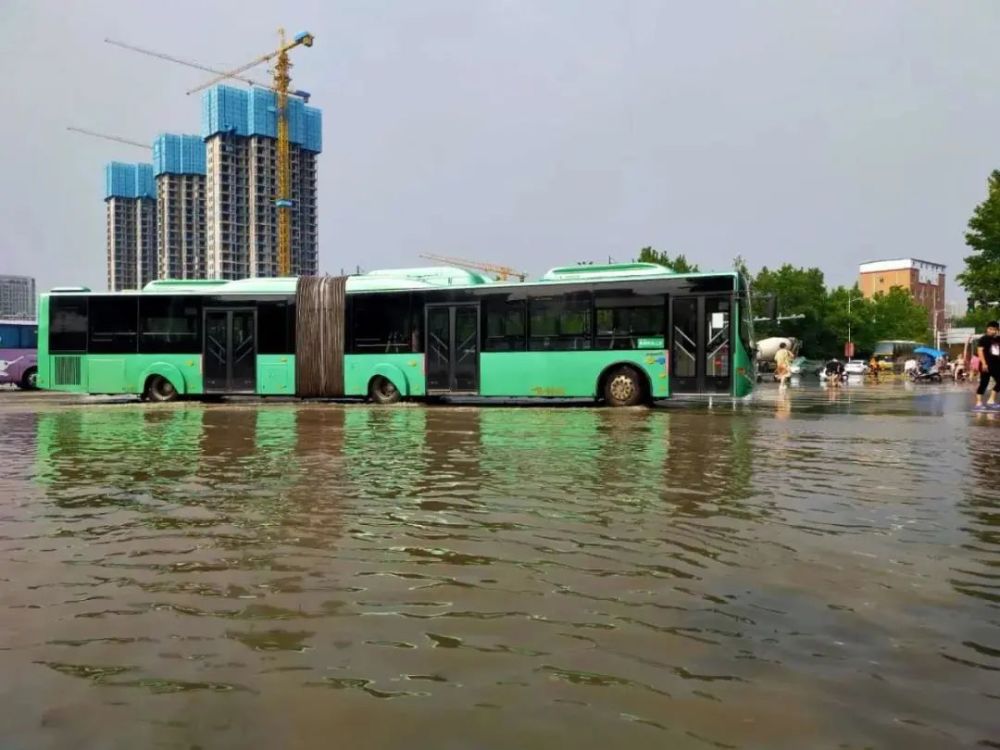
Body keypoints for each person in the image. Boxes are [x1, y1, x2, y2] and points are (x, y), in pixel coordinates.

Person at [975, 320, 1000, 409]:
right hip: (985, 365)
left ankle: (991, 400)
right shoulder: (983, 339)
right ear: (987, 329)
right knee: (984, 383)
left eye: (993, 329)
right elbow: (980, 351)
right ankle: (978, 403)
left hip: (996, 365)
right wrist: (984, 363)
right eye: (989, 329)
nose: (991, 331)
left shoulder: (998, 339)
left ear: (997, 330)